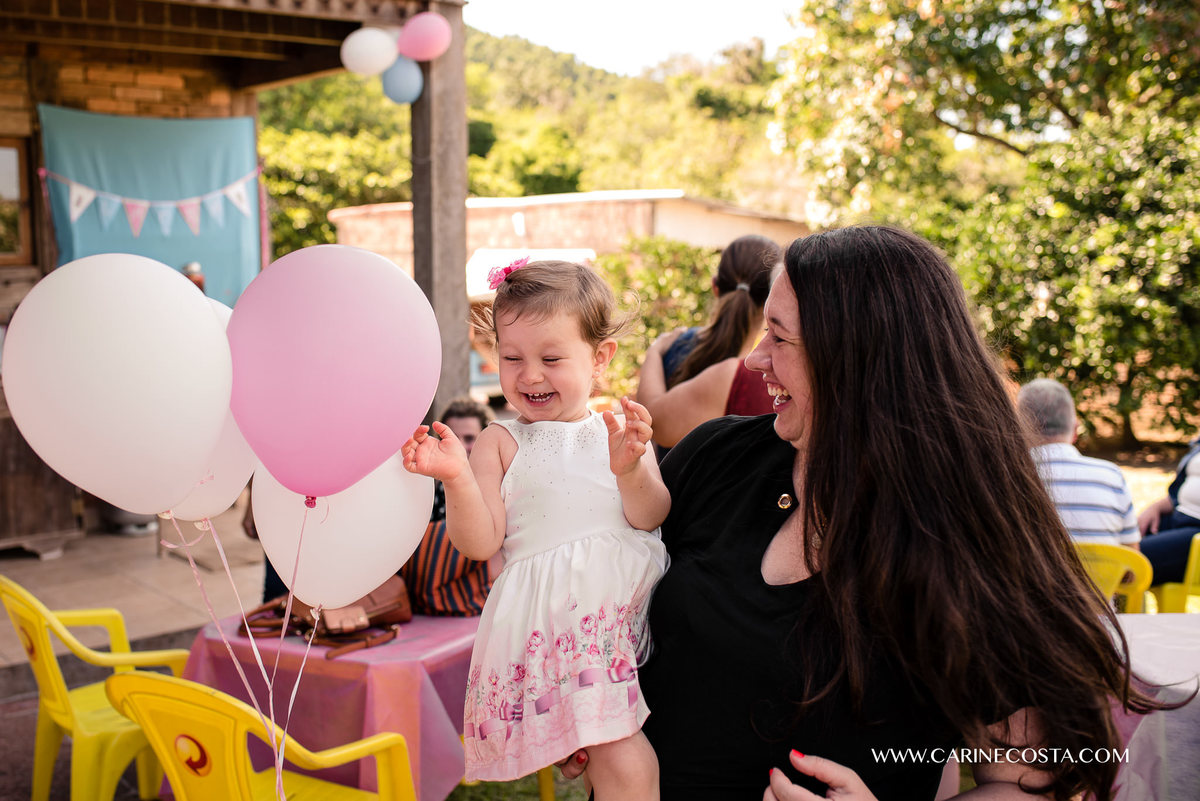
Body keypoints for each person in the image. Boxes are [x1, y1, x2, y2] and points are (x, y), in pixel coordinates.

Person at [562, 225, 1166, 801]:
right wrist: (577, 702)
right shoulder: (715, 459)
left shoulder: (963, 543)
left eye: (780, 338)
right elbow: (610, 594)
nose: (754, 360)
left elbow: (1038, 781)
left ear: (858, 359)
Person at [401, 259, 670, 797]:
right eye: (512, 358)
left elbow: (651, 514)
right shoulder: (501, 441)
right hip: (561, 626)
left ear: (599, 357)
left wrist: (630, 470)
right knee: (619, 754)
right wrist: (457, 478)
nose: (529, 375)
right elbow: (480, 541)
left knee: (615, 752)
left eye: (551, 358)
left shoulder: (617, 431)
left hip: (620, 611)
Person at [637, 234, 782, 451]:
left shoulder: (677, 345)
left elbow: (650, 421)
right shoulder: (770, 374)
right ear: (772, 296)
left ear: (715, 286)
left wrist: (655, 350)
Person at [1016, 378, 1140, 548]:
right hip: (1102, 567)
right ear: (1075, 430)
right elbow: (1132, 554)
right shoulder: (1112, 476)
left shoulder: (1011, 477)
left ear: (1020, 430)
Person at [401, 397, 497, 616]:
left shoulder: (498, 488)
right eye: (452, 438)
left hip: (472, 598)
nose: (460, 446)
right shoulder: (428, 489)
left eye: (470, 438)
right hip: (425, 597)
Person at [1137, 436, 1200, 584]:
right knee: (1115, 542)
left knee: (1131, 558)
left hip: (1196, 532)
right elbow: (1184, 490)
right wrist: (1157, 507)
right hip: (1178, 517)